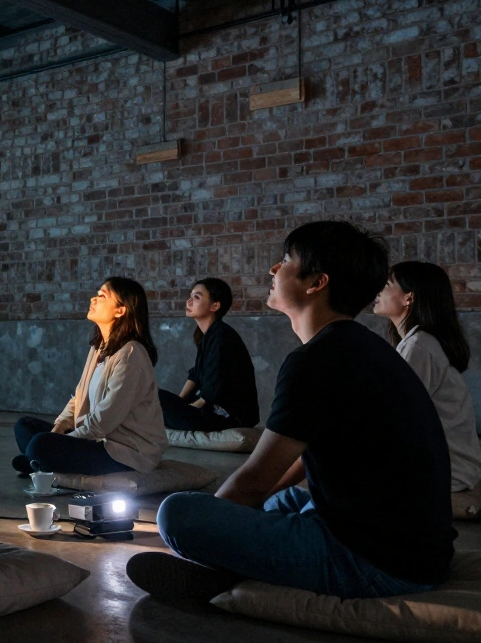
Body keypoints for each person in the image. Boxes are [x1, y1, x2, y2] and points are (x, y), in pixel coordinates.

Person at [128, 221, 456, 601]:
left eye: (285, 260)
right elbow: (290, 466)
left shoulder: (315, 360)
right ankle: (231, 570)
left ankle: (220, 574)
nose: (273, 269)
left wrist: (211, 529)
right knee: (282, 501)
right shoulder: (362, 347)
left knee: (177, 514)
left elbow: (252, 481)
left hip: (377, 563)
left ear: (316, 282)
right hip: (420, 550)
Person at [12, 277, 167, 476]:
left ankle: (36, 460)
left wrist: (62, 441)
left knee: (40, 444)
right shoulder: (98, 347)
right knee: (25, 426)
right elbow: (79, 397)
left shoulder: (131, 354)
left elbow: (105, 419)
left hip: (123, 451)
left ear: (120, 310)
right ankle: (37, 461)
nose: (93, 299)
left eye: (102, 296)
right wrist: (59, 428)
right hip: (94, 439)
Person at [373, 261, 481, 492]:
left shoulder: (419, 346)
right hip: (443, 469)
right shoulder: (416, 342)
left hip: (449, 474)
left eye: (387, 284)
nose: (378, 290)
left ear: (408, 297)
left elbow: (394, 417)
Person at [159, 278, 260, 431]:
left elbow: (214, 386)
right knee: (155, 398)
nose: (189, 302)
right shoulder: (207, 335)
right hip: (210, 409)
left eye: (196, 297)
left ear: (215, 306)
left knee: (157, 399)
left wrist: (185, 410)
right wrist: (179, 404)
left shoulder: (221, 336)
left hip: (229, 417)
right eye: (190, 296)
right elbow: (195, 375)